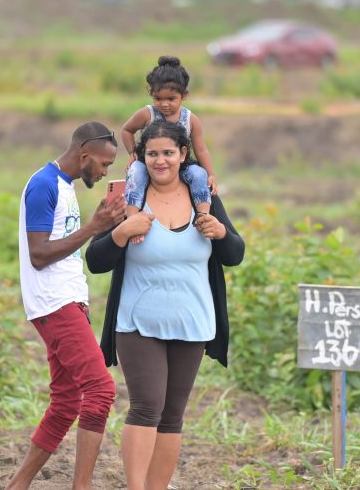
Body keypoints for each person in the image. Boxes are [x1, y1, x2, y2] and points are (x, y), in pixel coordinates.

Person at [85, 120, 244, 490]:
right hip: (138, 322)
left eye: (168, 153)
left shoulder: (205, 198)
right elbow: (96, 260)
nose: (160, 161)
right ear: (142, 157)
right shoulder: (129, 199)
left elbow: (234, 254)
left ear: (183, 155)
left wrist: (221, 233)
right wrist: (122, 232)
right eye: (152, 153)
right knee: (146, 407)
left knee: (172, 416)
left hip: (192, 322)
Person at [7, 121, 126, 490]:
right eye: (104, 164)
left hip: (67, 302)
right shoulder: (44, 185)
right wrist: (94, 227)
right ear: (84, 154)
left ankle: (17, 485)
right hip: (53, 303)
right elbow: (40, 255)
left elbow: (64, 245)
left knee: (66, 402)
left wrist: (104, 225)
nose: (105, 171)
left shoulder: (64, 186)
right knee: (101, 391)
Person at [122, 55, 217, 243]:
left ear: (184, 96)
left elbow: (201, 149)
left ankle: (203, 215)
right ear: (151, 94)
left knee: (198, 174)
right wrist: (133, 153)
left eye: (171, 99)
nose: (164, 104)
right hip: (148, 164)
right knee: (136, 173)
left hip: (180, 166)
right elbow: (127, 130)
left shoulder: (190, 119)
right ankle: (131, 219)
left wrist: (211, 173)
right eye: (158, 98)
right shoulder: (147, 114)